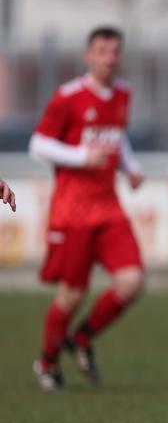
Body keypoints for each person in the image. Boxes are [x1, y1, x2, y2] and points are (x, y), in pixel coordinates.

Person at [28, 26, 145, 391]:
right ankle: (46, 362)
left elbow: (117, 136)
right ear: (88, 56)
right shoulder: (68, 97)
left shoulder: (123, 93)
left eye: (115, 51)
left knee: (132, 281)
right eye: (102, 50)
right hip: (72, 211)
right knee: (72, 293)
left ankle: (83, 336)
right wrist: (81, 156)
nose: (110, 57)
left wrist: (130, 166)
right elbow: (38, 144)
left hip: (108, 208)